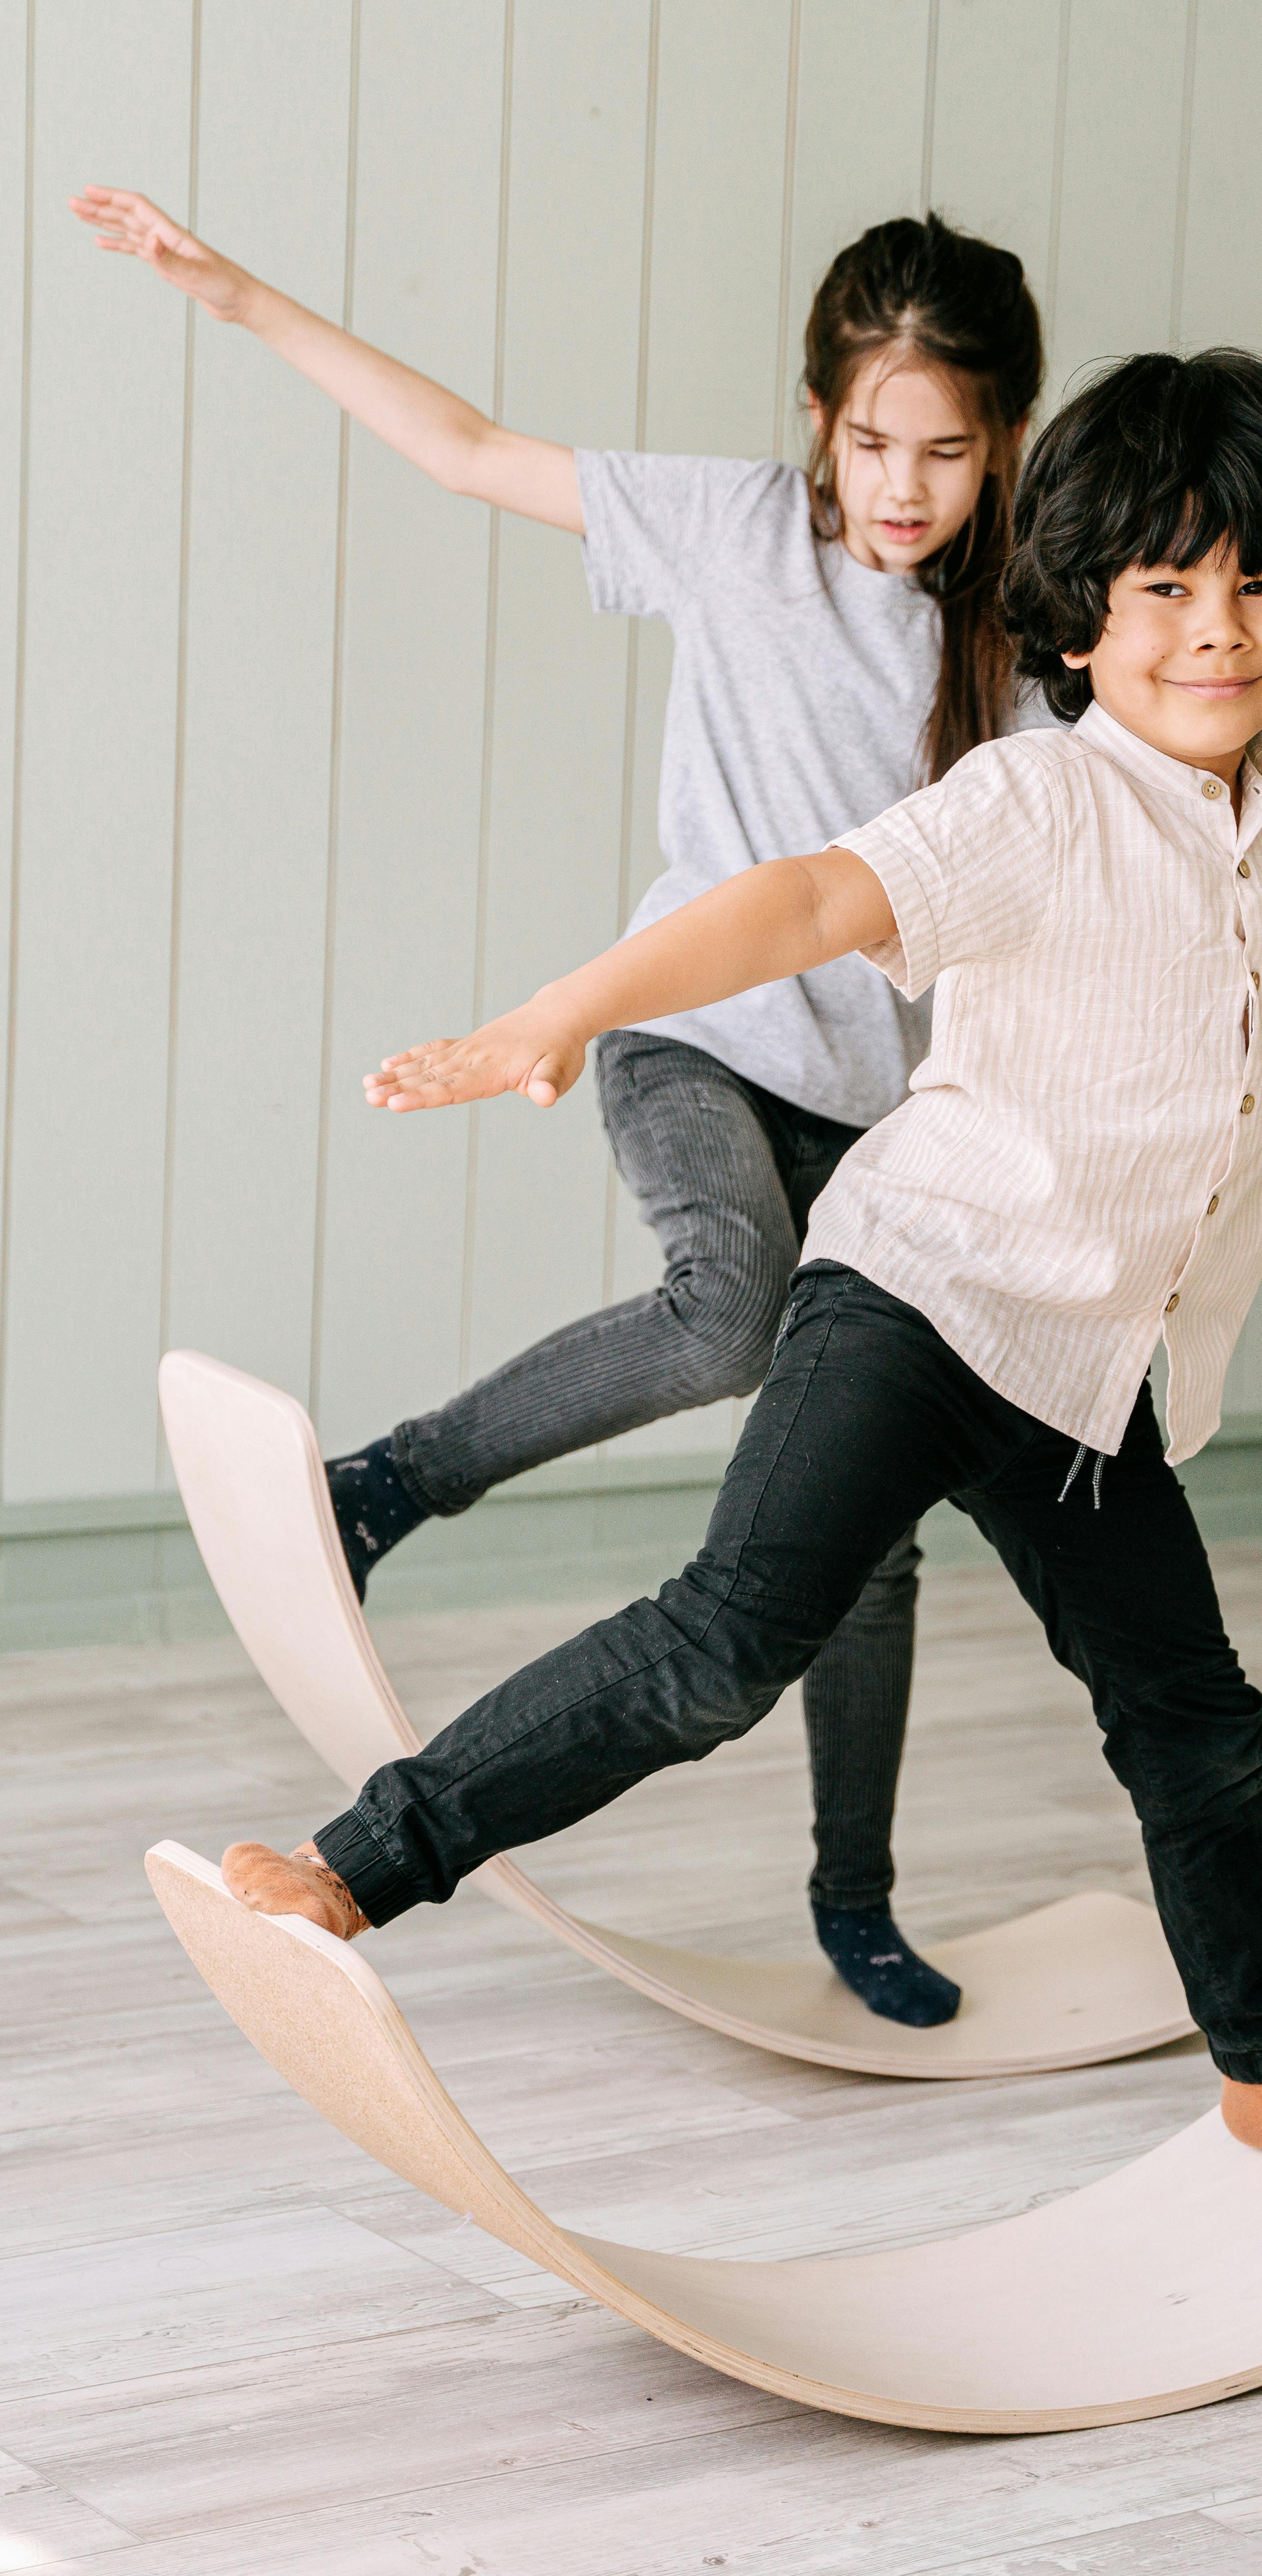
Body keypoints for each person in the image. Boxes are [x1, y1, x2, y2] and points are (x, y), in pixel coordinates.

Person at [204, 342, 1262, 2149]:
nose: (1216, 629)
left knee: (1193, 1721)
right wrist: (568, 1006)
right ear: (1080, 619)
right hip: (916, 1302)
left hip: (1086, 1374)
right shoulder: (1032, 804)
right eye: (1165, 587)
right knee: (724, 1647)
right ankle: (348, 1866)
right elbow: (814, 897)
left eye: (1257, 582)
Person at [72, 185, 1053, 2028]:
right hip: (679, 1029)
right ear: (817, 421)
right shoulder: (735, 529)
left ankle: (856, 1895)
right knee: (726, 1304)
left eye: (946, 450)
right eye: (870, 442)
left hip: (877, 1115)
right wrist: (241, 292)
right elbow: (459, 450)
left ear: (1001, 443)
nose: (902, 486)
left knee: (869, 1514)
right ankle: (391, 1484)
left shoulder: (1015, 630)